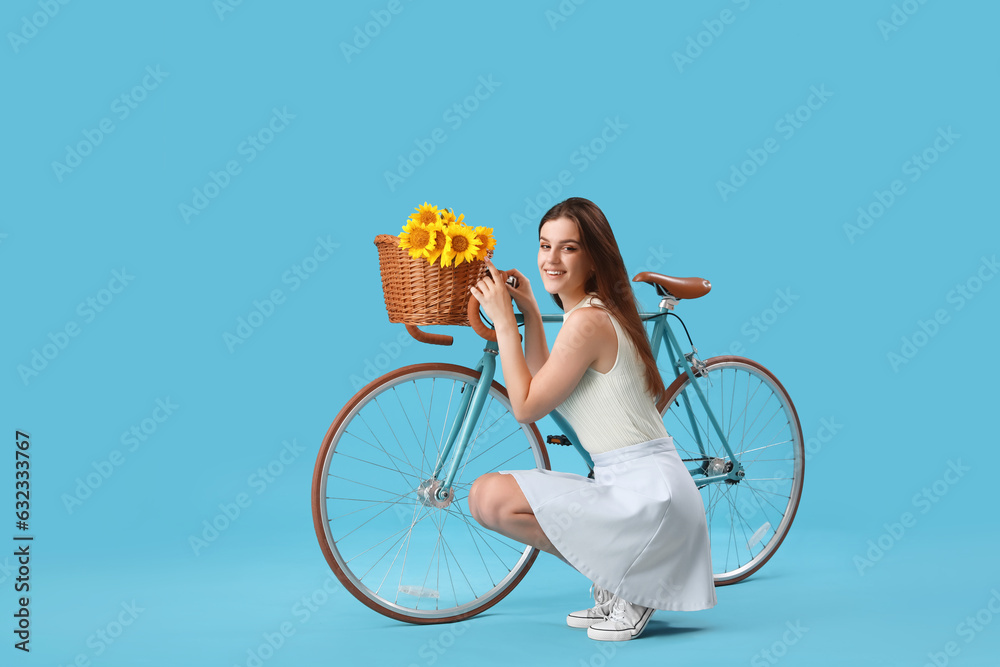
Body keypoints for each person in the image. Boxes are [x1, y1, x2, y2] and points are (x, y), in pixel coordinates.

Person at [467, 197, 716, 642]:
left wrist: (505, 323)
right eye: (545, 246)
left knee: (490, 496)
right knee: (487, 497)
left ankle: (634, 584)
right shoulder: (585, 316)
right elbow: (543, 383)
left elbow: (525, 407)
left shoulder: (589, 323)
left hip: (651, 497)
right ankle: (619, 573)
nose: (551, 259)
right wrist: (525, 311)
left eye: (569, 248)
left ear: (593, 256)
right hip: (621, 485)